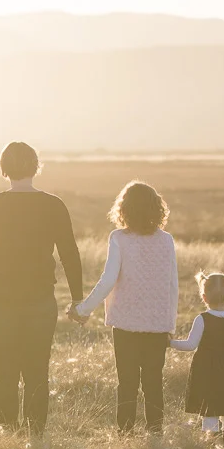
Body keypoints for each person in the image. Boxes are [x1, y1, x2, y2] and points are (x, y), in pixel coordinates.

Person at [0, 142, 82, 436]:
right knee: (38, 371)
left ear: (4, 169)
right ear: (36, 167)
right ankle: (36, 434)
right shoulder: (53, 204)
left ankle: (7, 433)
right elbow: (69, 253)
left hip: (1, 301)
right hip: (41, 301)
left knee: (4, 371)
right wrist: (77, 298)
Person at [70, 181, 179, 434]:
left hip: (125, 323)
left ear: (124, 209)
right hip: (157, 324)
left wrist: (84, 309)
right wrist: (170, 324)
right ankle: (156, 433)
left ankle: (125, 434)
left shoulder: (118, 238)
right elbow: (172, 284)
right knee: (154, 382)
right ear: (156, 209)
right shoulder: (167, 240)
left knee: (127, 382)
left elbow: (108, 280)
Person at [169, 270, 224, 449]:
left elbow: (190, 345)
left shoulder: (202, 319)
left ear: (204, 297)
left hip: (206, 369)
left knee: (209, 408)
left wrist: (170, 343)